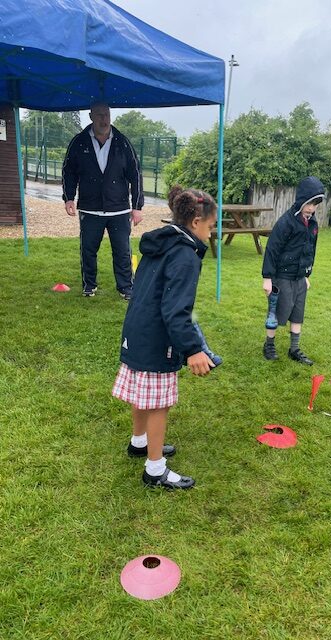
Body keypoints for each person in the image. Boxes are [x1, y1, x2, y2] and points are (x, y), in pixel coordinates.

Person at [112, 185, 217, 490]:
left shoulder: (163, 241)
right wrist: (194, 350)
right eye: (210, 228)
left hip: (138, 330)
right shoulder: (184, 255)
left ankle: (138, 441)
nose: (211, 235)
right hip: (157, 337)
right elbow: (175, 310)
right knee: (159, 403)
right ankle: (155, 469)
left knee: (142, 393)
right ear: (195, 222)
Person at [62, 102, 144, 299]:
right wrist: (69, 198)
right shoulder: (79, 142)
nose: (104, 119)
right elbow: (68, 171)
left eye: (106, 115)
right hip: (90, 209)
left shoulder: (122, 142)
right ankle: (89, 285)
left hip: (119, 209)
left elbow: (136, 174)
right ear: (91, 116)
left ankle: (126, 287)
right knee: (88, 250)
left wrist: (137, 206)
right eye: (99, 115)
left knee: (122, 250)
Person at [261, 176, 325, 365]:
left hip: (299, 277)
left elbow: (310, 250)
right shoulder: (286, 222)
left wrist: (306, 274)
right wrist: (267, 278)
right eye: (309, 203)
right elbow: (272, 249)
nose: (311, 209)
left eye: (315, 205)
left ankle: (294, 349)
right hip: (282, 276)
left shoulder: (312, 224)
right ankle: (269, 344)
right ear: (301, 200)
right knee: (277, 311)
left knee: (298, 312)